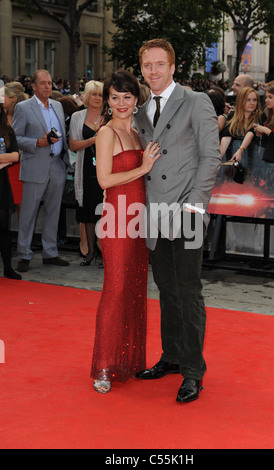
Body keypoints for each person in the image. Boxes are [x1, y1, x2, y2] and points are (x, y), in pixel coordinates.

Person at [134, 38, 221, 403]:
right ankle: (171, 356)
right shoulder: (139, 110)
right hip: (154, 213)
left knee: (188, 292)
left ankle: (192, 371)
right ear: (142, 69)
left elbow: (211, 156)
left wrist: (196, 205)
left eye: (160, 64)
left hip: (185, 211)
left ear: (173, 66)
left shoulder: (195, 101)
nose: (153, 71)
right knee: (166, 289)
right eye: (147, 65)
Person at [90, 70, 160, 393]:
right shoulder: (106, 134)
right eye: (114, 97)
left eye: (127, 97)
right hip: (117, 220)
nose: (121, 103)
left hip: (138, 220)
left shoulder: (137, 132)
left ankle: (128, 360)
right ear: (107, 100)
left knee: (134, 289)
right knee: (115, 290)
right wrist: (143, 168)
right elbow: (105, 180)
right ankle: (104, 365)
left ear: (136, 100)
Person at [12, 69, 71, 272]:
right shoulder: (23, 108)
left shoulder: (57, 105)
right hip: (35, 165)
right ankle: (24, 254)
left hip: (56, 166)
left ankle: (50, 252)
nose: (47, 86)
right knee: (28, 213)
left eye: (50, 83)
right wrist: (37, 142)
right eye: (43, 83)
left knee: (53, 212)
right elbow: (16, 137)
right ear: (34, 86)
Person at [69, 80, 104, 266]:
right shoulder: (77, 117)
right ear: (87, 96)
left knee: (105, 215)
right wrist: (91, 141)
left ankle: (106, 254)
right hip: (85, 172)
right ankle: (90, 252)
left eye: (100, 95)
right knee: (88, 215)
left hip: (106, 173)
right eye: (94, 94)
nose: (97, 98)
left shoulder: (110, 117)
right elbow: (73, 145)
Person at [232, 83, 274, 164]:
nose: (266, 100)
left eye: (270, 97)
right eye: (266, 97)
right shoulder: (266, 115)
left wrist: (266, 131)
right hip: (263, 159)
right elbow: (252, 131)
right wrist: (241, 149)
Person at [0, 103, 22, 280]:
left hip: (2, 183)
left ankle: (7, 267)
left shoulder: (7, 130)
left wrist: (6, 158)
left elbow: (15, 156)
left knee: (4, 227)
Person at [4, 82, 28, 218]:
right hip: (4, 165)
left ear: (12, 98)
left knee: (21, 205)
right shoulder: (2, 115)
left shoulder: (24, 114)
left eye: (3, 96)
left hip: (20, 165)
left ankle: (23, 238)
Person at [220, 87, 262, 161]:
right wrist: (219, 158)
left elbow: (251, 132)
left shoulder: (260, 116)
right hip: (233, 158)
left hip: (253, 160)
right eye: (248, 100)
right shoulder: (233, 116)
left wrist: (241, 149)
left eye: (254, 100)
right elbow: (227, 136)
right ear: (241, 101)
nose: (252, 103)